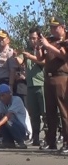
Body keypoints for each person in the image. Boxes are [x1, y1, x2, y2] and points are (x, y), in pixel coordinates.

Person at [37, 16, 68, 153]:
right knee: (50, 112)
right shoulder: (49, 40)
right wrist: (39, 47)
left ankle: (67, 142)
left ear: (63, 27)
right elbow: (40, 58)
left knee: (64, 112)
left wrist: (48, 46)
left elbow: (64, 56)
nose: (53, 29)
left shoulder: (66, 40)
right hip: (48, 78)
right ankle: (51, 141)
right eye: (51, 27)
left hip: (61, 78)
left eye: (55, 27)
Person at [21, 27, 45, 146]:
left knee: (45, 112)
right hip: (30, 84)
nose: (32, 41)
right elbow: (20, 62)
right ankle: (35, 137)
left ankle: (48, 136)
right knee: (33, 114)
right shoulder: (27, 50)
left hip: (41, 83)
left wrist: (30, 57)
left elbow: (43, 62)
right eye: (30, 38)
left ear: (39, 38)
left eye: (34, 38)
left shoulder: (43, 48)